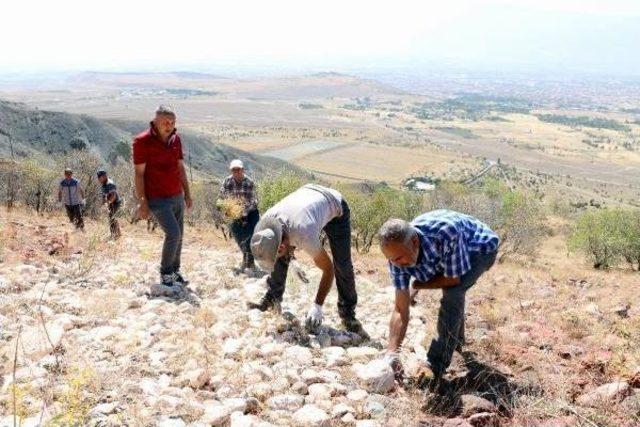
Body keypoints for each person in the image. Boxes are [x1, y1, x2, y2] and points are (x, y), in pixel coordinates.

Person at [379, 210, 499, 389]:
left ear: (414, 242)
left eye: (399, 258)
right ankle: (456, 343)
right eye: (391, 260)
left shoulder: (445, 234)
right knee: (447, 290)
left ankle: (435, 364)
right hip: (445, 252)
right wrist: (392, 353)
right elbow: (400, 309)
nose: (396, 264)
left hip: (480, 248)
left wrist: (416, 286)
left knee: (453, 292)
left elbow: (452, 280)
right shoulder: (397, 255)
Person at [248, 183, 366, 336]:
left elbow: (328, 269)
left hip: (335, 206)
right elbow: (281, 242)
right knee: (276, 255)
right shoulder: (265, 228)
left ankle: (348, 314)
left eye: (282, 251)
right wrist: (292, 260)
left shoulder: (304, 233)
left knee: (342, 264)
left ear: (283, 246)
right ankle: (272, 298)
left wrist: (317, 306)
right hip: (307, 199)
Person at [133, 105, 193, 287]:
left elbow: (180, 168)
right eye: (166, 122)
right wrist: (143, 202)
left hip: (176, 194)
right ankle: (165, 272)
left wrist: (187, 193)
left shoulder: (176, 139)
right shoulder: (142, 141)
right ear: (156, 121)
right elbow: (139, 174)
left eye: (173, 122)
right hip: (157, 198)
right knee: (173, 234)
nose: (170, 126)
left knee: (180, 235)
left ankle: (175, 271)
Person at [218, 159, 260, 273]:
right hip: (234, 213)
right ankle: (247, 260)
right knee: (240, 238)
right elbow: (222, 197)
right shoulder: (227, 181)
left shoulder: (249, 182)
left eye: (238, 169)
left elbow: (252, 201)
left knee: (250, 237)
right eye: (233, 170)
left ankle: (249, 263)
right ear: (231, 171)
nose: (236, 172)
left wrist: (243, 212)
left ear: (242, 170)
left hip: (251, 212)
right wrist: (222, 206)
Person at [97, 170, 122, 239]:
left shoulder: (110, 184)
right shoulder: (103, 184)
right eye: (98, 178)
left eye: (100, 178)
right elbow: (104, 196)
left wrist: (107, 204)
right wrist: (102, 204)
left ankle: (115, 235)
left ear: (104, 176)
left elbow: (113, 196)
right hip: (110, 202)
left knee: (112, 218)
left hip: (115, 202)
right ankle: (116, 234)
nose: (99, 179)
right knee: (111, 218)